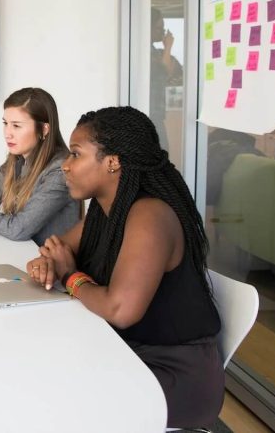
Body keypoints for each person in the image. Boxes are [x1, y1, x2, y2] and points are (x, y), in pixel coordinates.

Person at [28, 106, 223, 429]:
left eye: (76, 154)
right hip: (124, 351)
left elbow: (120, 309)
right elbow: (55, 249)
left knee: (48, 394)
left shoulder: (150, 215)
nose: (65, 165)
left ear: (113, 161)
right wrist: (45, 264)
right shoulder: (106, 211)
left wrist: (69, 275)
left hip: (170, 376)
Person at [0, 87, 79, 244]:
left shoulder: (59, 172)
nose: (7, 133)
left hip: (48, 263)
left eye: (16, 126)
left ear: (44, 129)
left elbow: (18, 229)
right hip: (24, 254)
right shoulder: (17, 158)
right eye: (6, 123)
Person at [150, 7, 183, 151]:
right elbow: (162, 73)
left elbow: (176, 77)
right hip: (150, 113)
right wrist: (168, 47)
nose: (163, 32)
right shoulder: (143, 53)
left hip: (156, 114)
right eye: (159, 28)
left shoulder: (158, 54)